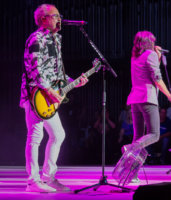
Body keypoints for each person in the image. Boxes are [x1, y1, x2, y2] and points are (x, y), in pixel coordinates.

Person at [20, 4, 88, 192]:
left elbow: (56, 72)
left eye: (60, 16)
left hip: (48, 96)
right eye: (56, 16)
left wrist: (74, 81)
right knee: (35, 136)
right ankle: (32, 182)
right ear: (44, 19)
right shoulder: (36, 39)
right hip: (36, 95)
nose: (60, 19)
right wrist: (50, 91)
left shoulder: (56, 39)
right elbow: (34, 69)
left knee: (58, 134)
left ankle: (48, 178)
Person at [123, 30, 171, 182]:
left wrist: (157, 56)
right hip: (147, 98)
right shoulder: (150, 55)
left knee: (139, 137)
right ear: (149, 42)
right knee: (154, 134)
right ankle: (130, 148)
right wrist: (169, 95)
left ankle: (132, 175)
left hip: (135, 99)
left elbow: (149, 70)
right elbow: (157, 78)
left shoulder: (135, 57)